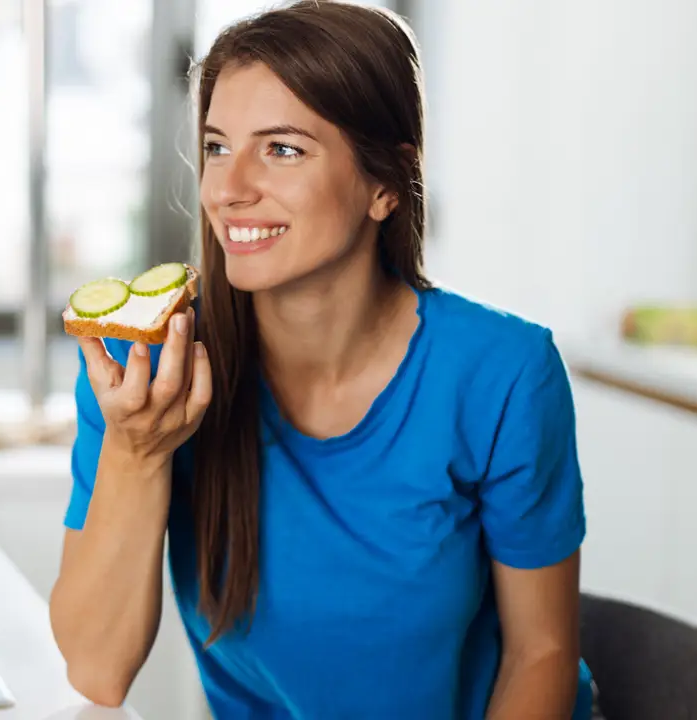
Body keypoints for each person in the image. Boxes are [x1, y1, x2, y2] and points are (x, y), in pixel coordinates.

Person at [49, 1, 592, 718]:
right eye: (216, 146)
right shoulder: (145, 371)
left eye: (282, 149)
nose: (228, 187)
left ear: (386, 185)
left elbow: (541, 652)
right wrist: (137, 453)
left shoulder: (503, 374)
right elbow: (96, 671)